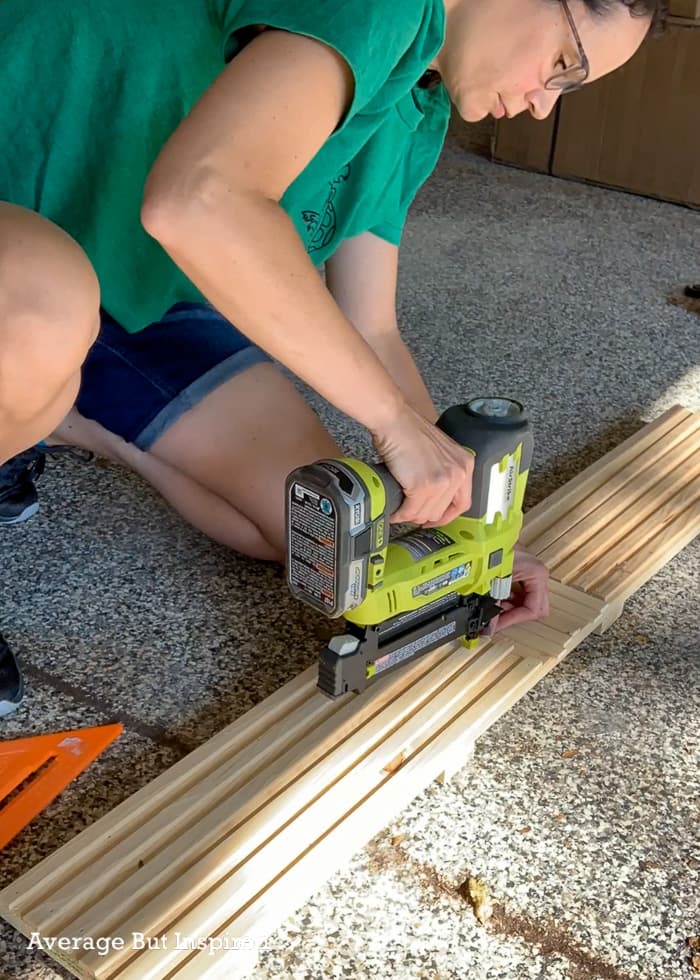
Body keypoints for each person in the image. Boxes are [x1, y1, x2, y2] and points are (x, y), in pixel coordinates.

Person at [0, 0, 662, 716]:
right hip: (34, 257)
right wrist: (393, 428)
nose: (541, 106)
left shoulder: (418, 101)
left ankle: (56, 412)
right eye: (564, 65)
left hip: (133, 287)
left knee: (323, 546)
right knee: (39, 309)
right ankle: (33, 380)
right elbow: (197, 202)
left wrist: (471, 551)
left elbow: (372, 327)